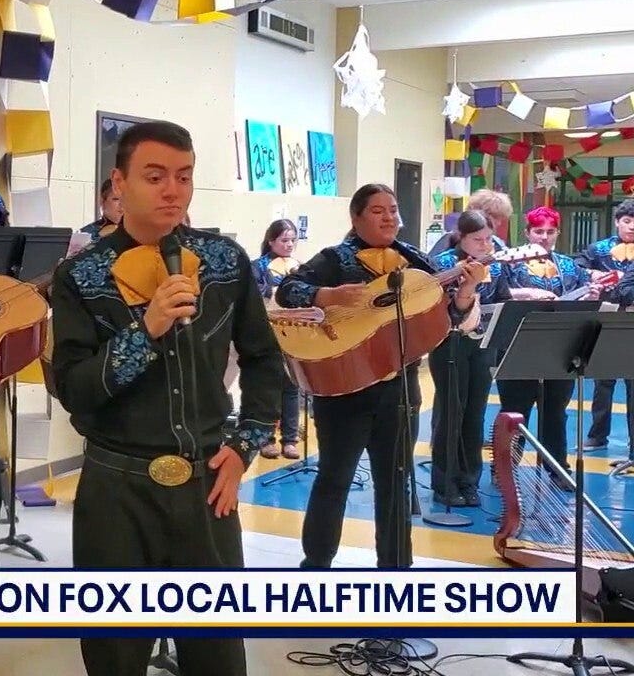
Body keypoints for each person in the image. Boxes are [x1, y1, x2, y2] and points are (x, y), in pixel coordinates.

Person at [51, 121, 285, 676]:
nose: (172, 190)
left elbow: (264, 359)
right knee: (114, 657)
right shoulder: (80, 275)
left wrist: (244, 447)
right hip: (116, 489)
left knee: (218, 657)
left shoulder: (225, 261)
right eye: (155, 177)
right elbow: (76, 391)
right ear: (120, 182)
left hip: (207, 484)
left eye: (184, 176)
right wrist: (146, 329)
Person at [276, 184, 481, 568]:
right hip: (343, 390)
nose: (389, 217)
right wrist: (327, 296)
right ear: (356, 218)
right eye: (377, 210)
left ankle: (396, 571)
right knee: (334, 480)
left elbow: (448, 319)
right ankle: (315, 568)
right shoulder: (335, 259)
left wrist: (466, 290)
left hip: (400, 391)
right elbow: (288, 290)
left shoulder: (416, 261)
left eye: (393, 209)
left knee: (396, 484)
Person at [498, 206, 597, 486]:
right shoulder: (508, 261)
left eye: (550, 231)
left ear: (558, 233)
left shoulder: (568, 265)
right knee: (515, 409)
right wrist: (524, 293)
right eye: (538, 231)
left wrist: (590, 295)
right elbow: (496, 292)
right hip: (518, 343)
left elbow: (580, 297)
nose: (544, 237)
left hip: (560, 345)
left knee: (555, 410)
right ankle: (505, 469)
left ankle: (557, 468)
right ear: (527, 232)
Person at [429, 211, 512, 507]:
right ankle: (445, 483)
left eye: (489, 239)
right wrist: (468, 286)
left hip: (483, 344)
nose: (485, 245)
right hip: (449, 345)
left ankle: (469, 480)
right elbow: (440, 307)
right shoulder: (442, 264)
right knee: (451, 412)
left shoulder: (495, 265)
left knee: (475, 413)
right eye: (478, 239)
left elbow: (503, 299)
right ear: (461, 237)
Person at [575, 198, 634, 450]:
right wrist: (594, 275)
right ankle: (597, 435)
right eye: (627, 221)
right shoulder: (598, 249)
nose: (632, 226)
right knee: (602, 381)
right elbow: (577, 268)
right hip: (606, 319)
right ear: (617, 222)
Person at [251, 218, 302, 459]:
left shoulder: (300, 267)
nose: (289, 244)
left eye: (292, 240)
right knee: (267, 387)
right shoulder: (257, 267)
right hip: (266, 333)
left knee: (292, 386)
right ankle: (266, 438)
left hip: (293, 333)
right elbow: (254, 298)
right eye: (284, 240)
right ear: (271, 241)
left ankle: (290, 439)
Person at [427, 188, 512, 257]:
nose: (498, 223)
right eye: (495, 217)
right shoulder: (448, 239)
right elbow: (429, 267)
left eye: (501, 218)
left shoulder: (497, 243)